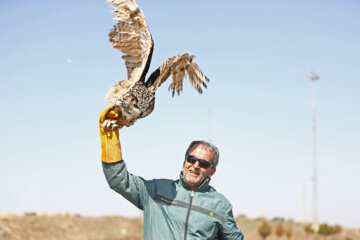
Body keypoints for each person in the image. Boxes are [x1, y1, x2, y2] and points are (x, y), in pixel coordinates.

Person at [99, 106, 244, 240]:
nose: (195, 166)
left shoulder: (220, 205)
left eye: (203, 163)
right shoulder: (154, 190)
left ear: (212, 171)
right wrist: (110, 137)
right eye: (191, 159)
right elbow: (118, 180)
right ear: (184, 161)